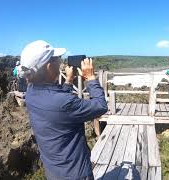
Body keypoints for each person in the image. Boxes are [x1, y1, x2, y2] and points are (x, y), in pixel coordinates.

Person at [20, 40, 108, 180]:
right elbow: (100, 106)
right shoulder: (63, 103)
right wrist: (90, 78)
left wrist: (68, 81)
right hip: (76, 173)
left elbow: (56, 100)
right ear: (49, 67)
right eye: (58, 59)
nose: (61, 62)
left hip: (53, 170)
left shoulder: (30, 93)